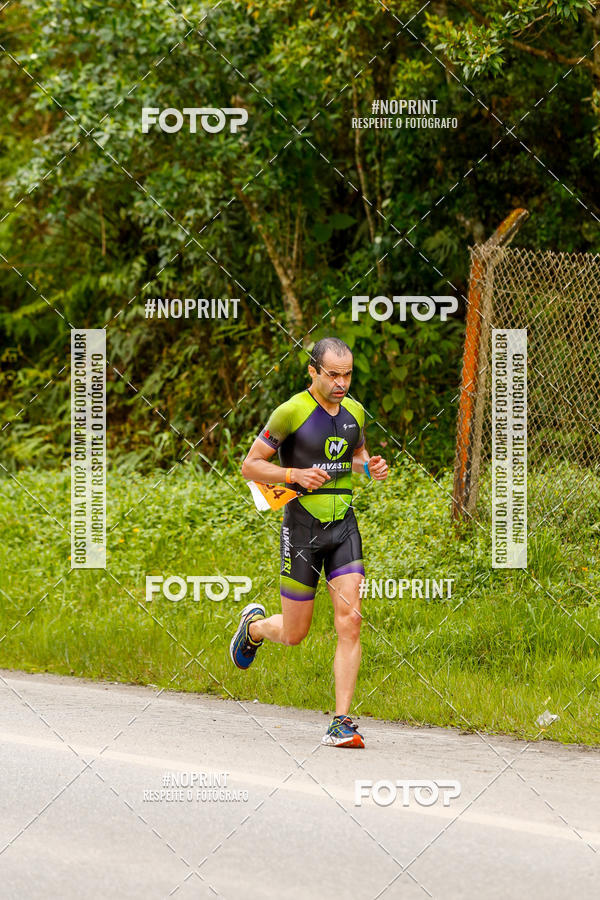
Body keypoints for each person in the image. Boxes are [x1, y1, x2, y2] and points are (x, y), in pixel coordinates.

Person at [230, 337, 388, 747]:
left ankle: (341, 721)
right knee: (296, 632)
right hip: (300, 530)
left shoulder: (355, 411)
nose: (341, 383)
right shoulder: (291, 412)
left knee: (350, 621)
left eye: (348, 374)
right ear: (313, 372)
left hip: (343, 527)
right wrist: (294, 476)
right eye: (333, 375)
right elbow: (250, 466)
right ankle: (256, 628)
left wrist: (370, 468)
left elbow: (352, 459)